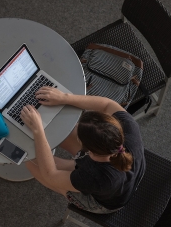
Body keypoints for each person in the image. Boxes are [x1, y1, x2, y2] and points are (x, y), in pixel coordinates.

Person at [20, 86, 146, 214]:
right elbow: (108, 104)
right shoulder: (128, 127)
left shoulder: (96, 177)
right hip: (122, 178)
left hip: (104, 202)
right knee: (61, 138)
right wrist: (64, 97)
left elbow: (50, 176)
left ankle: (70, 180)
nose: (76, 126)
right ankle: (72, 167)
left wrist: (38, 131)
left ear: (88, 151)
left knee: (31, 162)